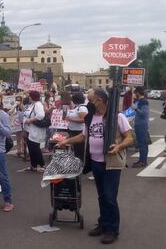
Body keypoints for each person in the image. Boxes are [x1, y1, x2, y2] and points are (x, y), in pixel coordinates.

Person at [57, 89, 133, 244]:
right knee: (102, 196)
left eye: (91, 101)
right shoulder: (91, 118)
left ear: (101, 100)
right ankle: (104, 224)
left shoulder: (117, 117)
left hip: (112, 164)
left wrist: (119, 147)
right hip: (96, 162)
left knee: (110, 197)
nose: (89, 104)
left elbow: (129, 138)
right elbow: (83, 136)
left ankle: (112, 229)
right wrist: (66, 141)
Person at [23, 91, 46, 172]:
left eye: (30, 96)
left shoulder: (38, 104)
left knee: (35, 147)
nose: (28, 97)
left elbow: (41, 115)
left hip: (35, 130)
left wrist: (30, 120)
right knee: (31, 148)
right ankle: (33, 165)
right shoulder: (32, 104)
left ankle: (42, 165)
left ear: (33, 97)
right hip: (29, 130)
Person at [66, 92, 88, 161]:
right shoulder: (77, 107)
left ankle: (80, 164)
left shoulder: (82, 108)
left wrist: (71, 119)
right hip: (73, 130)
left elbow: (83, 120)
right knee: (75, 149)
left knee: (79, 150)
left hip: (79, 131)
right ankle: (77, 163)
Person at [131, 86, 150, 168]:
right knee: (141, 143)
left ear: (138, 93)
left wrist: (135, 109)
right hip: (139, 124)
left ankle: (143, 161)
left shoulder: (144, 102)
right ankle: (142, 160)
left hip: (142, 125)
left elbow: (144, 114)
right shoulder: (139, 101)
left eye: (135, 93)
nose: (134, 94)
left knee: (142, 144)